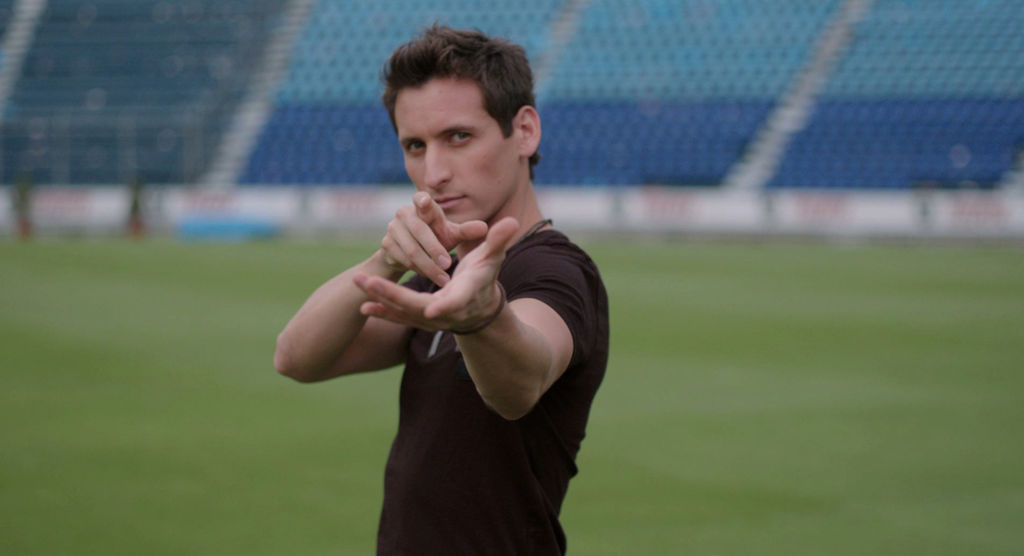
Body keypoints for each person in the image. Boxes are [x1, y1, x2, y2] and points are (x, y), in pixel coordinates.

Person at [274, 25, 609, 555]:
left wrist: (481, 318)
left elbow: (520, 384)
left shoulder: (557, 270)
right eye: (415, 145)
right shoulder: (441, 274)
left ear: (524, 132)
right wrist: (387, 258)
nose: (432, 173)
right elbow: (297, 359)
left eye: (458, 137)